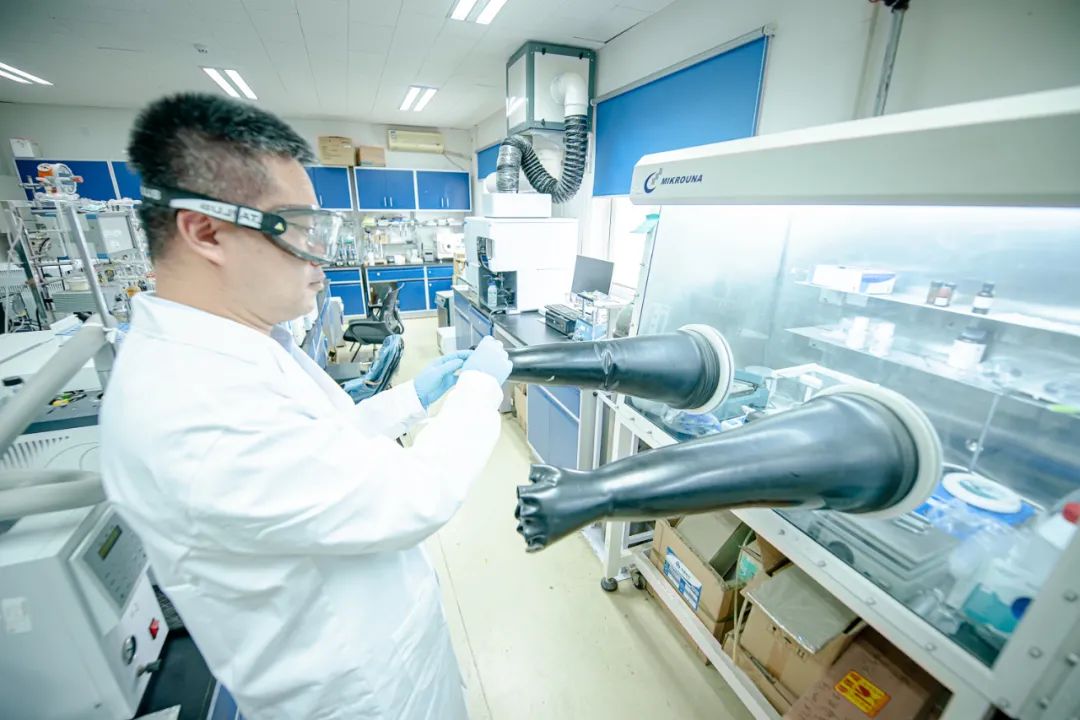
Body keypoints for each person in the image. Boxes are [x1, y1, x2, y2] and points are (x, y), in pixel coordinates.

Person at [100, 93, 512, 720]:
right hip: (357, 696)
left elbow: (324, 446)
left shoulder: (246, 346)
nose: (320, 258)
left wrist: (412, 398)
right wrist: (481, 391)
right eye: (298, 230)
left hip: (390, 657)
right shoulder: (189, 408)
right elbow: (411, 498)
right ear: (206, 231)